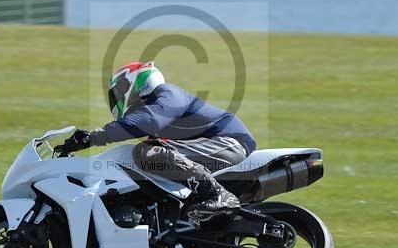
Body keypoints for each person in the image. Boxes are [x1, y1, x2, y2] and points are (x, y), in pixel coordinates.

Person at [63, 61, 256, 213]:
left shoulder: (168, 93)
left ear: (132, 83)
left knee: (148, 152)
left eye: (118, 92)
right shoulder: (158, 109)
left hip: (230, 141)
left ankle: (218, 194)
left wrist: (95, 137)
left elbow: (148, 120)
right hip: (215, 145)